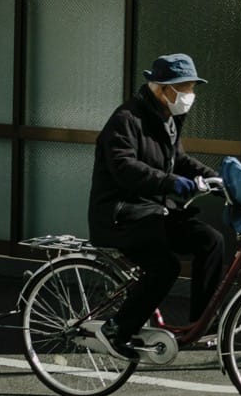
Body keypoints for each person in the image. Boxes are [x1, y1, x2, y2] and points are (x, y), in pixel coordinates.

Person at [87, 53, 225, 360]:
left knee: (211, 240)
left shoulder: (169, 118)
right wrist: (171, 183)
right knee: (165, 266)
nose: (190, 96)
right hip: (120, 215)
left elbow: (180, 160)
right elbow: (125, 167)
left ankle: (201, 323)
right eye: (186, 88)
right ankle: (116, 329)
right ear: (163, 89)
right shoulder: (126, 119)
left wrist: (217, 179)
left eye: (192, 88)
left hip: (151, 212)